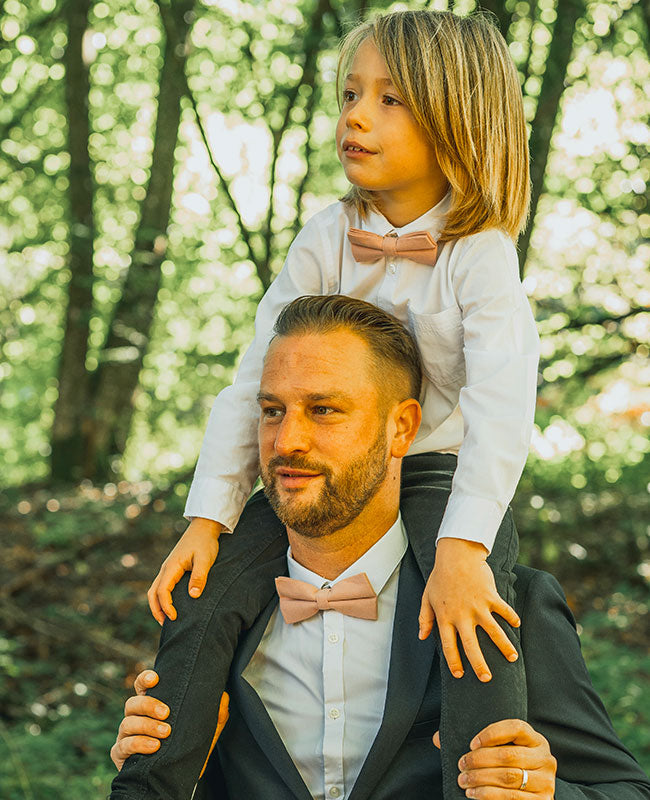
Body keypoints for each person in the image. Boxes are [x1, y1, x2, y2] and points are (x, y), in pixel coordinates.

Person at [147, 10, 539, 779]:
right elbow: (256, 379)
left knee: (476, 615)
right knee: (204, 590)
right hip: (326, 468)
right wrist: (208, 516)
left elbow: (502, 406)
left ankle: (485, 778)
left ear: (457, 118)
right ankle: (156, 783)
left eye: (390, 100)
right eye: (351, 94)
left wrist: (463, 548)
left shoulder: (480, 254)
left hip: (437, 474)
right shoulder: (326, 236)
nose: (355, 116)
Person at [110, 296, 650, 800]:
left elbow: (625, 790)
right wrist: (181, 773)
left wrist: (546, 793)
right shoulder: (209, 610)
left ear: (402, 428)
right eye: (273, 410)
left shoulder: (514, 604)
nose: (287, 440)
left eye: (324, 409)